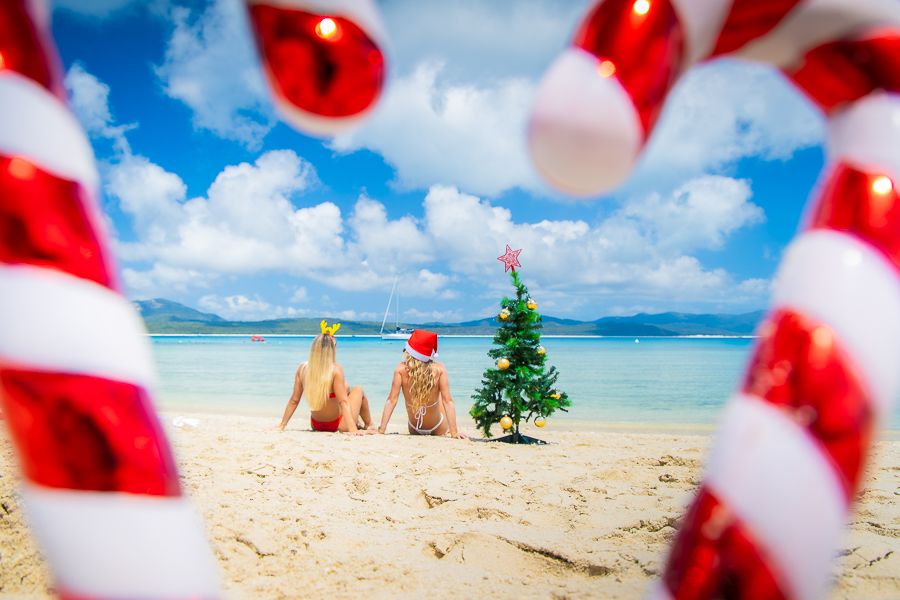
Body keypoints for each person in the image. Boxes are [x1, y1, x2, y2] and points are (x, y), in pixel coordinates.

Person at [278, 321, 373, 434]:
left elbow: (294, 400)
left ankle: (359, 424)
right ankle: (370, 425)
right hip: (338, 424)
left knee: (346, 390)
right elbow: (343, 402)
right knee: (358, 389)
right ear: (332, 350)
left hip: (316, 424)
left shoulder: (302, 369)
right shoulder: (335, 370)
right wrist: (352, 429)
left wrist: (282, 425)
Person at [375, 329, 466, 438]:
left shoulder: (400, 370)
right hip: (438, 427)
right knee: (443, 397)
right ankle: (451, 430)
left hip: (414, 428)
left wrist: (381, 430)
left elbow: (391, 400)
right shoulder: (439, 369)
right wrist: (454, 433)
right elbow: (448, 401)